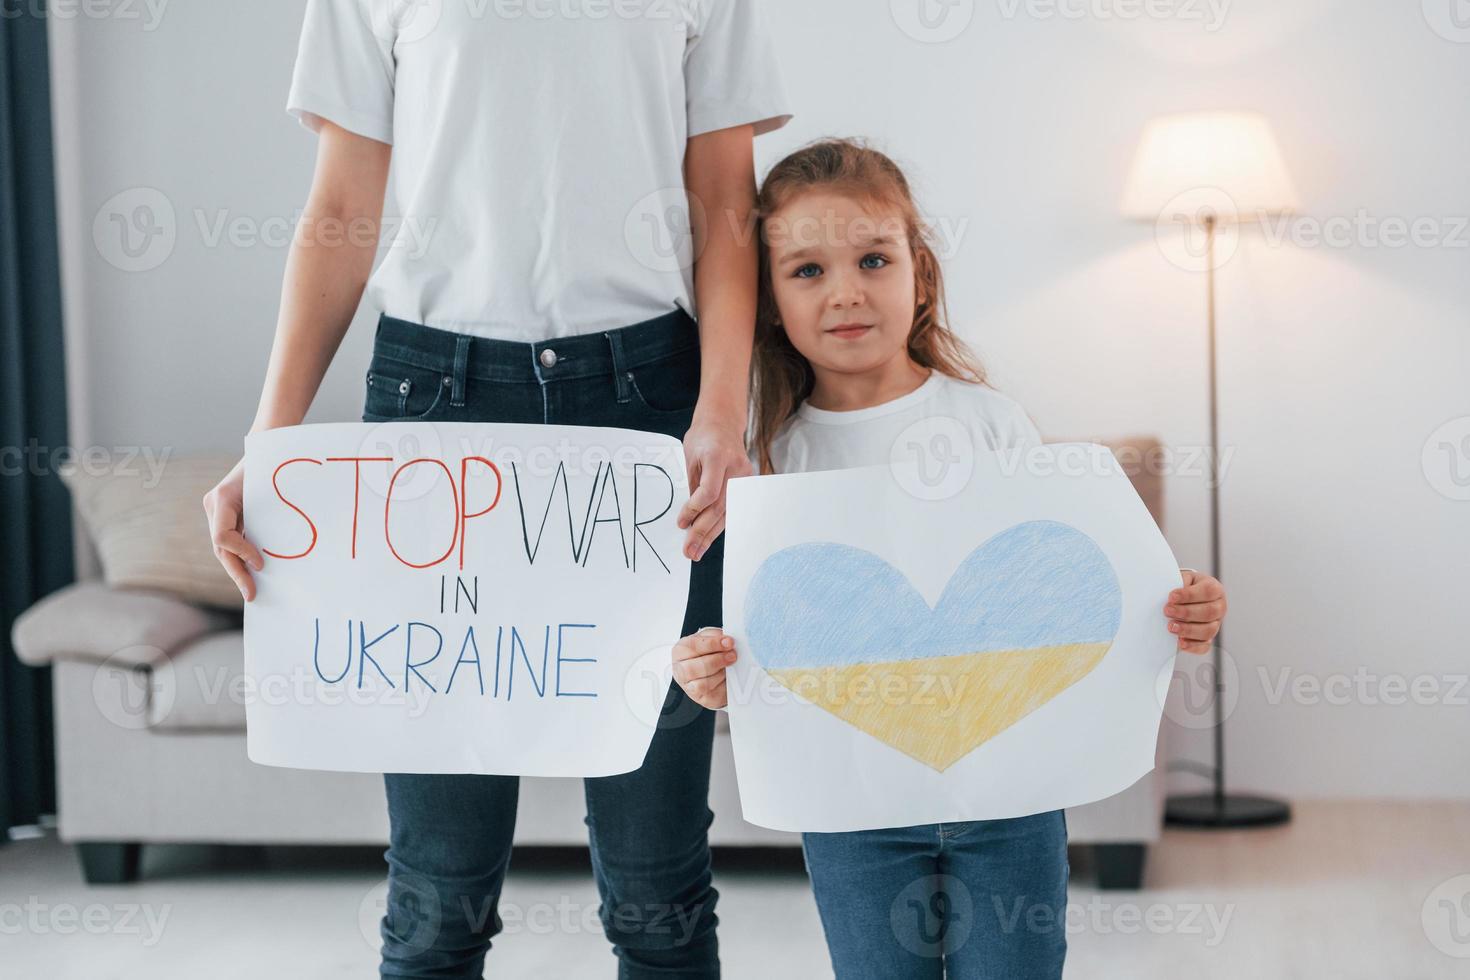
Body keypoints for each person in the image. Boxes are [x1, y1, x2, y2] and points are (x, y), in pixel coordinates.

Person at [202, 2, 792, 976]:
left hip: (644, 402)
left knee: (658, 884)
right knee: (438, 887)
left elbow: (726, 200)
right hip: (434, 402)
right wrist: (270, 440)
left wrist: (723, 410)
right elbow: (343, 204)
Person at [670, 139, 1229, 979]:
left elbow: (1074, 582)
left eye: (872, 259)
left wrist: (1180, 603)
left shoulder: (990, 424)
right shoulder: (765, 458)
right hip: (851, 805)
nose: (847, 292)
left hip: (1011, 795)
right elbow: (747, 633)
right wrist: (707, 667)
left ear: (919, 273)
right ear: (767, 299)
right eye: (807, 271)